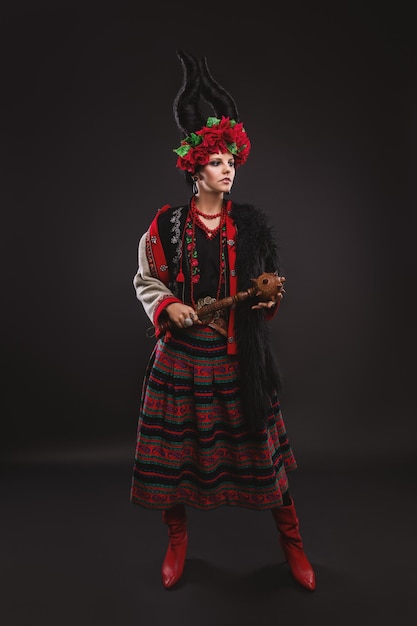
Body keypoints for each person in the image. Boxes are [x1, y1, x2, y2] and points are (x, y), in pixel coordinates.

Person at [130, 50, 316, 592]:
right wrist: (169, 306)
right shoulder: (165, 226)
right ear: (195, 166)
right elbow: (146, 279)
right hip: (181, 361)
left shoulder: (253, 226)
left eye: (232, 158)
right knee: (174, 461)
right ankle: (177, 539)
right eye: (217, 160)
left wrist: (266, 300)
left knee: (265, 459)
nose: (228, 167)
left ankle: (294, 544)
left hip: (238, 361)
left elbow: (270, 285)